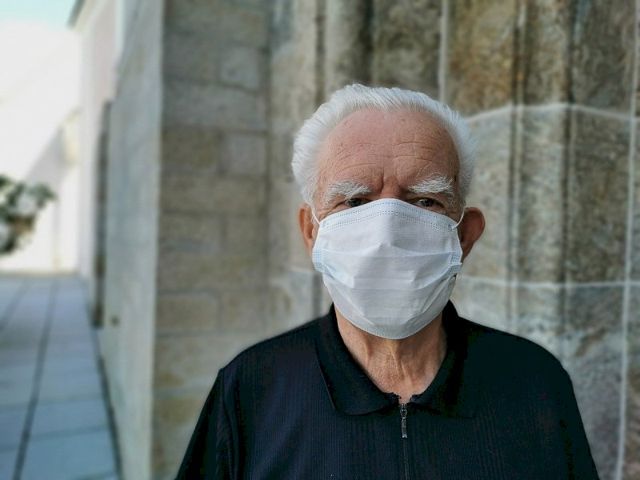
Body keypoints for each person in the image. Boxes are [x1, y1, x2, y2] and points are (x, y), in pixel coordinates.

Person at [175, 84, 600, 479]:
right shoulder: (251, 389)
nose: (387, 234)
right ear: (311, 232)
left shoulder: (534, 382)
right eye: (355, 201)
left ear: (465, 236)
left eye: (425, 200)